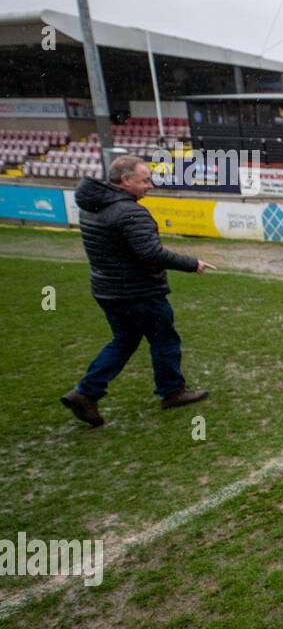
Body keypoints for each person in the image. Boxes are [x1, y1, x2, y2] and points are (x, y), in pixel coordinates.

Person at [61, 155, 213, 428]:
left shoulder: (91, 207)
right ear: (125, 180)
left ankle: (86, 392)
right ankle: (172, 392)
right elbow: (151, 253)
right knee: (164, 339)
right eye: (144, 180)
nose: (150, 185)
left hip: (106, 289)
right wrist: (193, 264)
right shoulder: (130, 212)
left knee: (124, 341)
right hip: (138, 292)